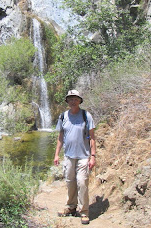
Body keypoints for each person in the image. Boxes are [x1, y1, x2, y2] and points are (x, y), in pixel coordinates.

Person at [53, 90, 96, 225]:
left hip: (84, 156)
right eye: (70, 99)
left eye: (75, 99)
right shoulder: (63, 116)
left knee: (82, 182)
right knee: (70, 182)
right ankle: (71, 207)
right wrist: (56, 155)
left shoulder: (86, 115)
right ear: (67, 101)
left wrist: (93, 156)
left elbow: (92, 137)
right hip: (69, 156)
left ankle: (84, 212)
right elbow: (60, 137)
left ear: (79, 101)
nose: (73, 101)